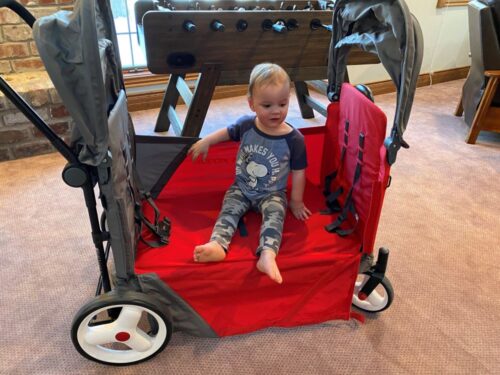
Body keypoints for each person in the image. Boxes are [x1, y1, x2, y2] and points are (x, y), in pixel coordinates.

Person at [188, 63, 311, 284]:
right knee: (228, 210)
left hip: (272, 193)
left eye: (282, 104)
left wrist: (296, 201)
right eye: (267, 105)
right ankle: (218, 244)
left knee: (275, 217)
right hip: (242, 188)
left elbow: (299, 171)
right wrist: (206, 141)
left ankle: (267, 255)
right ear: (251, 104)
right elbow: (227, 132)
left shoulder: (294, 139)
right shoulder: (246, 125)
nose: (276, 110)